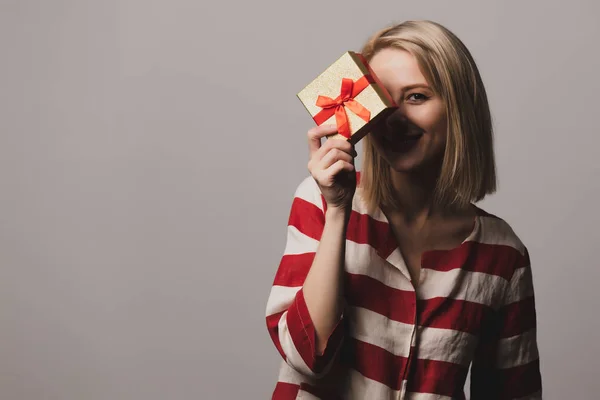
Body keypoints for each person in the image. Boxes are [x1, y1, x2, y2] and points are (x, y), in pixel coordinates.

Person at [265, 20, 542, 400]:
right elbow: (306, 357)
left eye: (415, 97)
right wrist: (337, 211)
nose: (392, 119)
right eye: (382, 101)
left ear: (459, 109)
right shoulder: (319, 200)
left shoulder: (503, 255)